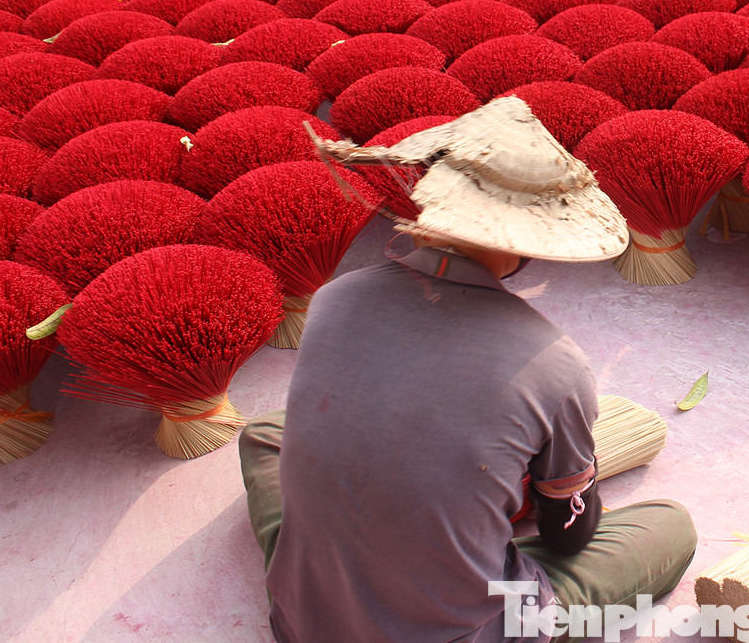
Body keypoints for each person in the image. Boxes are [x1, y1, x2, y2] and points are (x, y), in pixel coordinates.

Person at [237, 97, 697, 643]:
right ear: (535, 241)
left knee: (266, 434)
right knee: (669, 525)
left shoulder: (335, 298)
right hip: (460, 633)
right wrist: (533, 489)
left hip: (307, 619)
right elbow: (566, 536)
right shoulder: (555, 364)